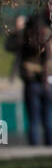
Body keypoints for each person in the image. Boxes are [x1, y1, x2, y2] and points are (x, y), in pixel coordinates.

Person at [17, 10, 52, 145]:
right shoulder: (48, 37)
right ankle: (48, 147)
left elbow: (11, 46)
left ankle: (35, 148)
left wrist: (19, 30)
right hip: (47, 80)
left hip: (33, 81)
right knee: (48, 117)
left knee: (34, 119)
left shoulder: (26, 37)